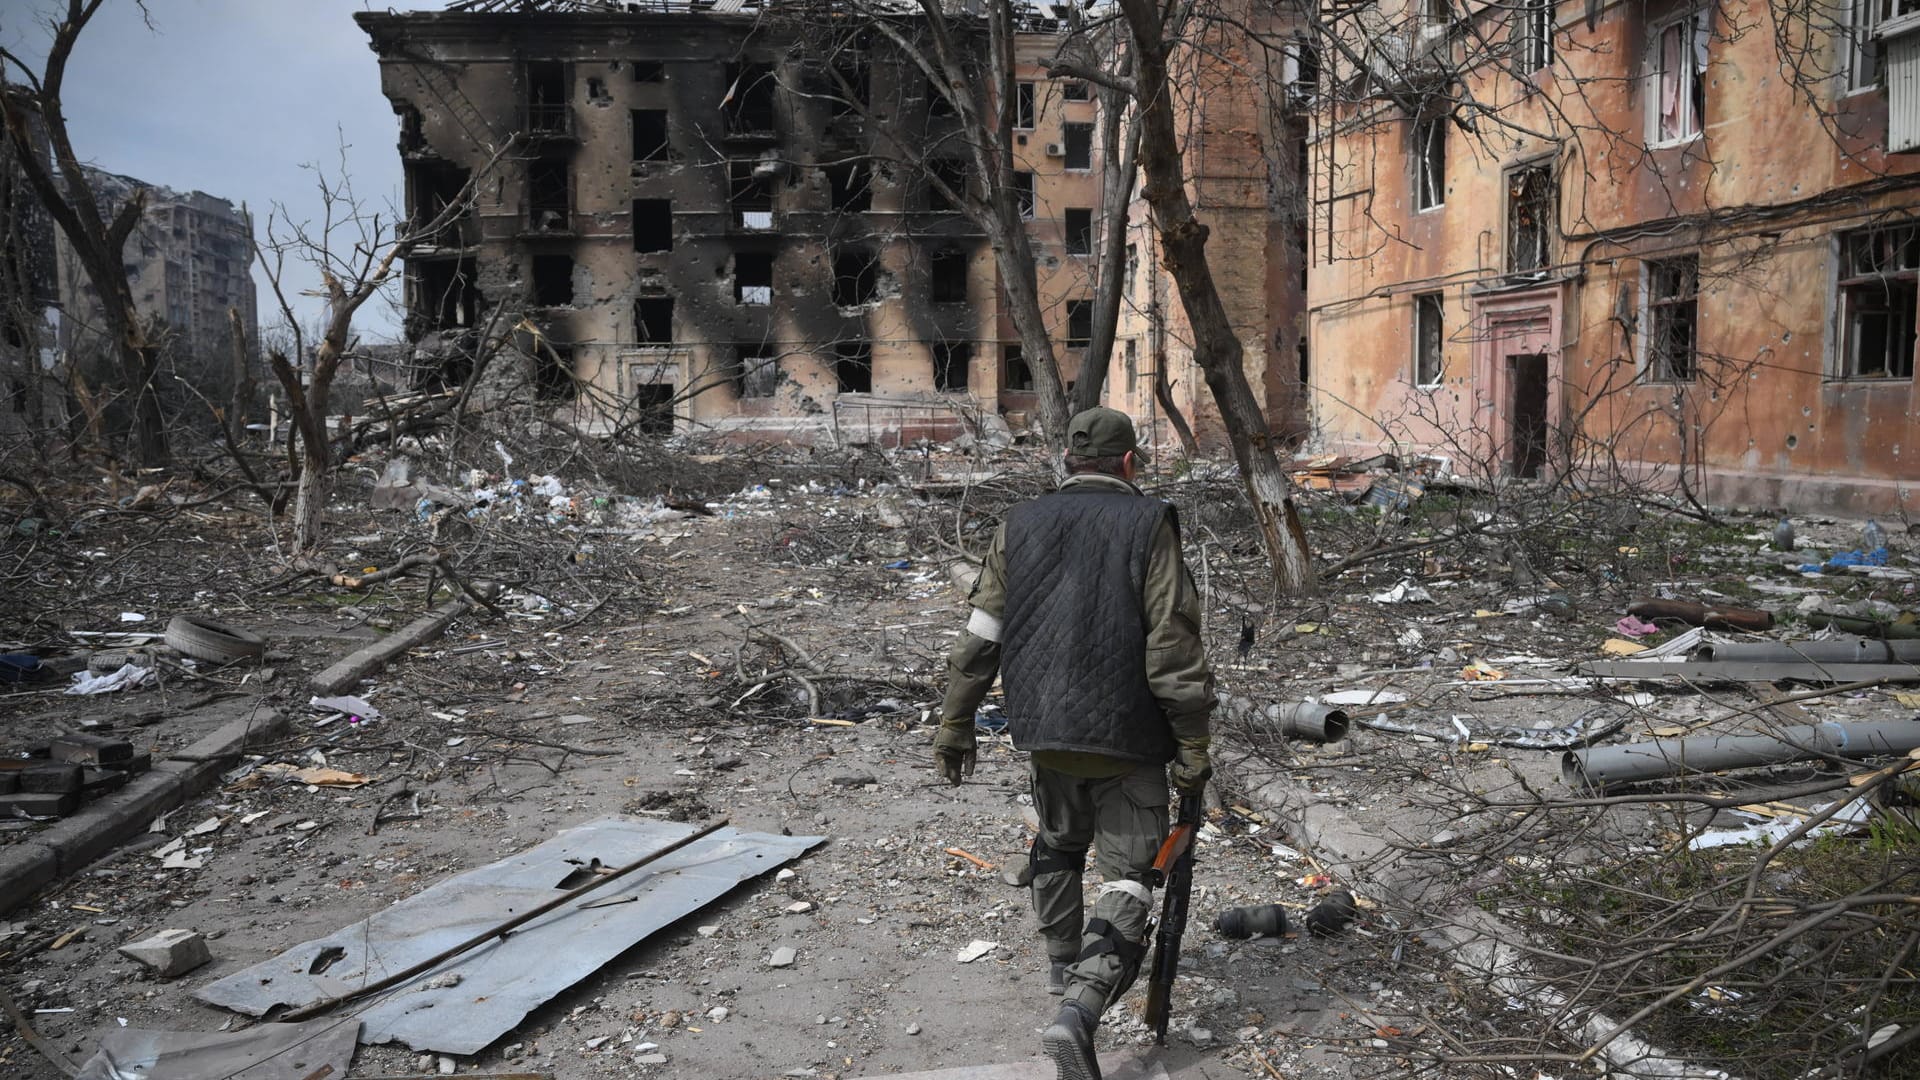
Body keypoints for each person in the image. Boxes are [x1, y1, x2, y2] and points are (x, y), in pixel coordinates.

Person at [932, 407, 1215, 1080]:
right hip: (1128, 735)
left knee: (1057, 844)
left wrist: (955, 720)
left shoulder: (1019, 523)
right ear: (1129, 463)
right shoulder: (1149, 522)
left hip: (1043, 729)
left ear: (1067, 460)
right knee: (1133, 876)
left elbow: (981, 633)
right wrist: (1194, 742)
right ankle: (1081, 1011)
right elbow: (1172, 646)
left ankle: (1064, 969)